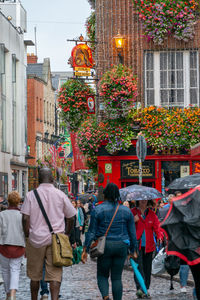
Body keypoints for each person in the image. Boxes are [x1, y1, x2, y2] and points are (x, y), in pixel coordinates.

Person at [21, 167, 76, 300]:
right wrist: (66, 234)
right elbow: (71, 217)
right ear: (51, 179)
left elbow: (24, 218)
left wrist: (27, 234)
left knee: (34, 275)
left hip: (35, 240)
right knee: (55, 275)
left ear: (38, 180)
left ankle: (34, 298)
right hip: (55, 240)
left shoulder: (30, 195)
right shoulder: (60, 194)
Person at [82, 183, 137, 300]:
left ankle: (106, 296)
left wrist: (85, 248)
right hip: (121, 245)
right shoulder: (127, 212)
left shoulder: (98, 210)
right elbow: (132, 233)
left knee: (102, 275)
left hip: (104, 246)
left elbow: (91, 232)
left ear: (105, 195)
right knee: (117, 277)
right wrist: (133, 250)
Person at [131, 200, 162, 299]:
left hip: (149, 246)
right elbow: (126, 225)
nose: (143, 201)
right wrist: (133, 220)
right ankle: (140, 288)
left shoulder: (152, 214)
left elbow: (157, 227)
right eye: (141, 200)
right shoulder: (133, 212)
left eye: (145, 200)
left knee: (147, 268)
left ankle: (146, 288)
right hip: (137, 245)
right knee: (138, 268)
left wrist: (159, 236)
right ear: (138, 201)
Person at [0, 191, 26, 300]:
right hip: (19, 245)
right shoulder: (22, 215)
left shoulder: (2, 214)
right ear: (18, 202)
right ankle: (13, 293)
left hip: (4, 245)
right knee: (15, 270)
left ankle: (7, 293)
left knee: (5, 270)